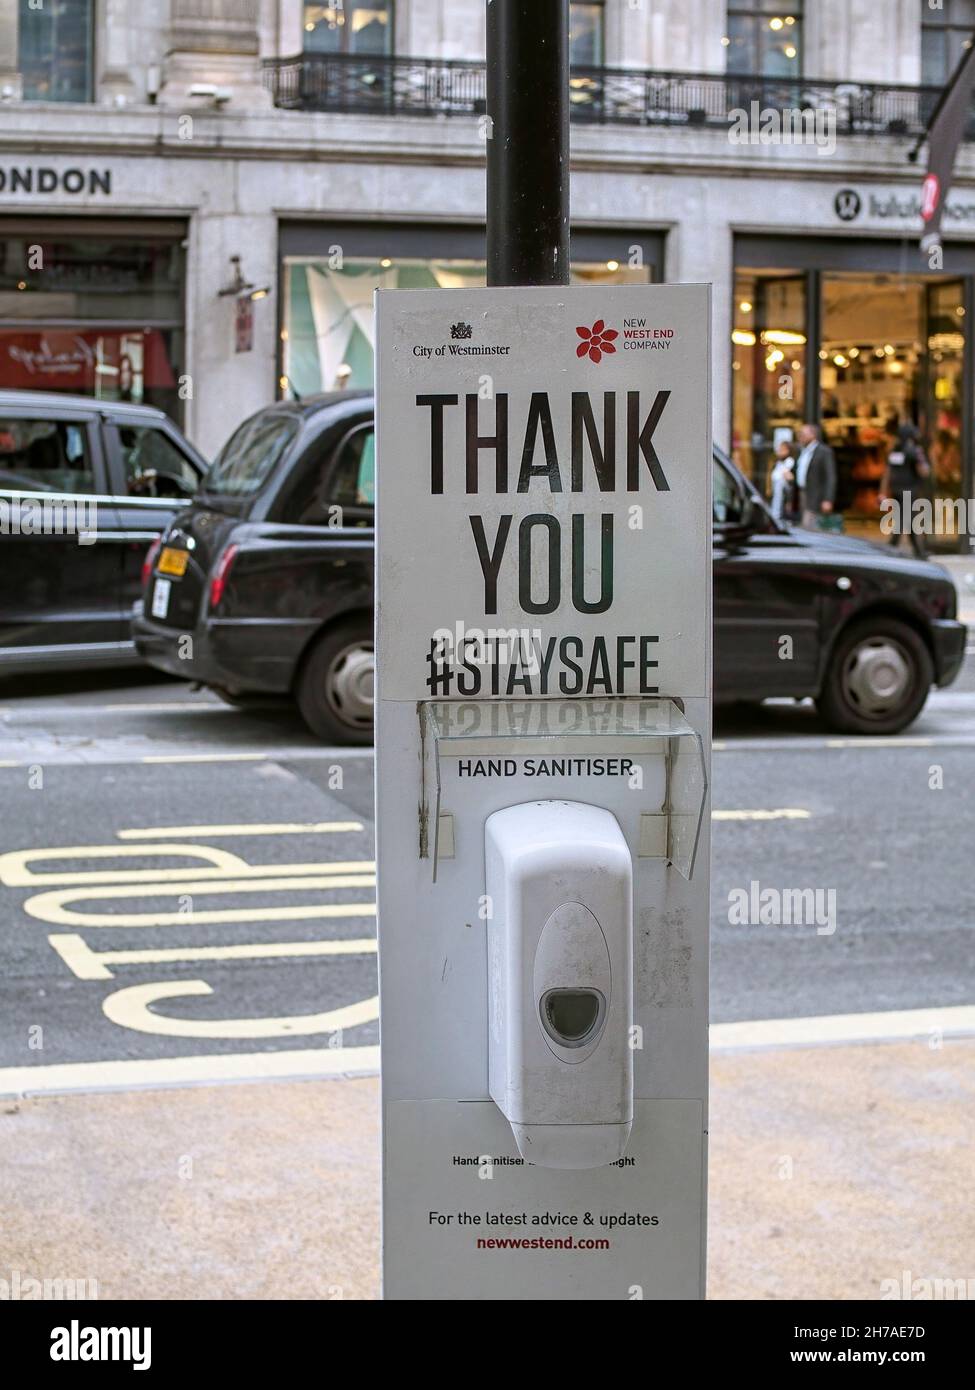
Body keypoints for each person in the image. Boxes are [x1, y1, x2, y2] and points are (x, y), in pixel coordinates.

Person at [881, 418, 930, 559]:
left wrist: (883, 491)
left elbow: (888, 472)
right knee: (908, 519)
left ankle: (912, 550)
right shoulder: (914, 451)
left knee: (905, 519)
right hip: (910, 490)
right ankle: (896, 547)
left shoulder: (895, 450)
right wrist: (923, 462)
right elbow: (923, 471)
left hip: (897, 490)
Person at [794, 423, 837, 529]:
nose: (800, 437)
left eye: (803, 434)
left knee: (810, 526)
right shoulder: (802, 451)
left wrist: (828, 499)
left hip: (815, 497)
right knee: (803, 525)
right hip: (801, 493)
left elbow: (830, 477)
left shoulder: (824, 451)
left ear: (813, 435)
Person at [768, 439, 796, 522]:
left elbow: (788, 477)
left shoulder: (789, 461)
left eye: (782, 450)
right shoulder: (778, 462)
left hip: (783, 490)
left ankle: (776, 515)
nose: (779, 452)